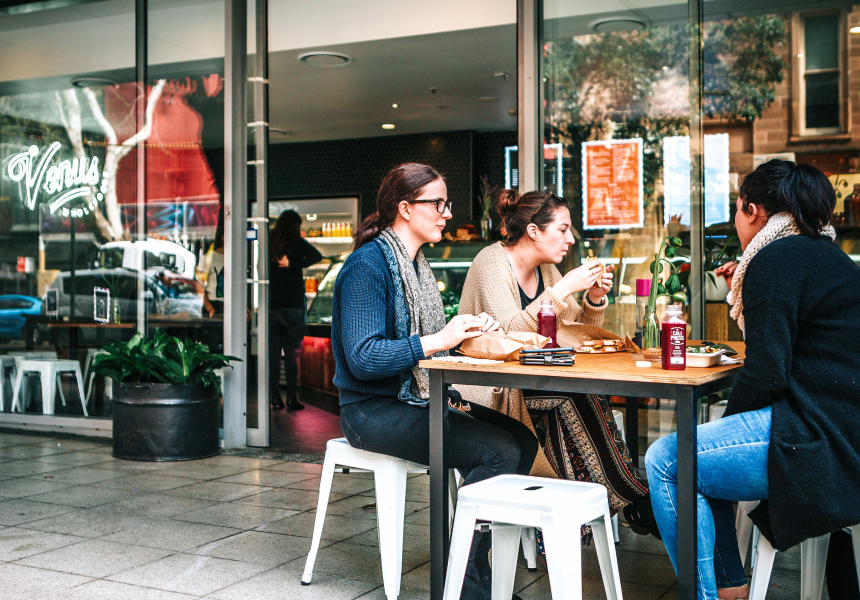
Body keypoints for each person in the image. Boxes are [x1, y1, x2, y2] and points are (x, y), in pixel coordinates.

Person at [645, 160, 860, 600]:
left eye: (737, 210)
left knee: (667, 460)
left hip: (823, 440)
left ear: (753, 210)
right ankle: (730, 587)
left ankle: (710, 593)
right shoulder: (825, 255)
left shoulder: (775, 260)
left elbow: (767, 370)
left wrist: (727, 426)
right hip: (842, 428)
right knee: (707, 447)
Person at [332, 163, 538, 600]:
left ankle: (472, 568)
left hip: (415, 399)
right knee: (499, 451)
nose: (447, 213)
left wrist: (463, 333)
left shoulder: (417, 266)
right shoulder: (367, 266)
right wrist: (438, 340)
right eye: (438, 204)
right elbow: (363, 359)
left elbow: (428, 346)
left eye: (447, 204)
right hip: (370, 410)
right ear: (405, 208)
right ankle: (465, 584)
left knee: (520, 438)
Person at [458, 188, 659, 540]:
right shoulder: (490, 262)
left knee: (572, 402)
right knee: (573, 398)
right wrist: (564, 287)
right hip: (490, 389)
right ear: (533, 231)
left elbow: (571, 330)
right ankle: (632, 499)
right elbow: (511, 331)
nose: (571, 239)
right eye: (563, 230)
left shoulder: (547, 270)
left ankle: (570, 528)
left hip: (536, 383)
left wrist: (593, 298)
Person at [269, 209, 323, 411]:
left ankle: (275, 397)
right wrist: (294, 264)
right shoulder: (297, 242)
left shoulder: (270, 242)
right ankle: (292, 397)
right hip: (293, 304)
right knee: (291, 353)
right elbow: (317, 256)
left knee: (273, 354)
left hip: (272, 304)